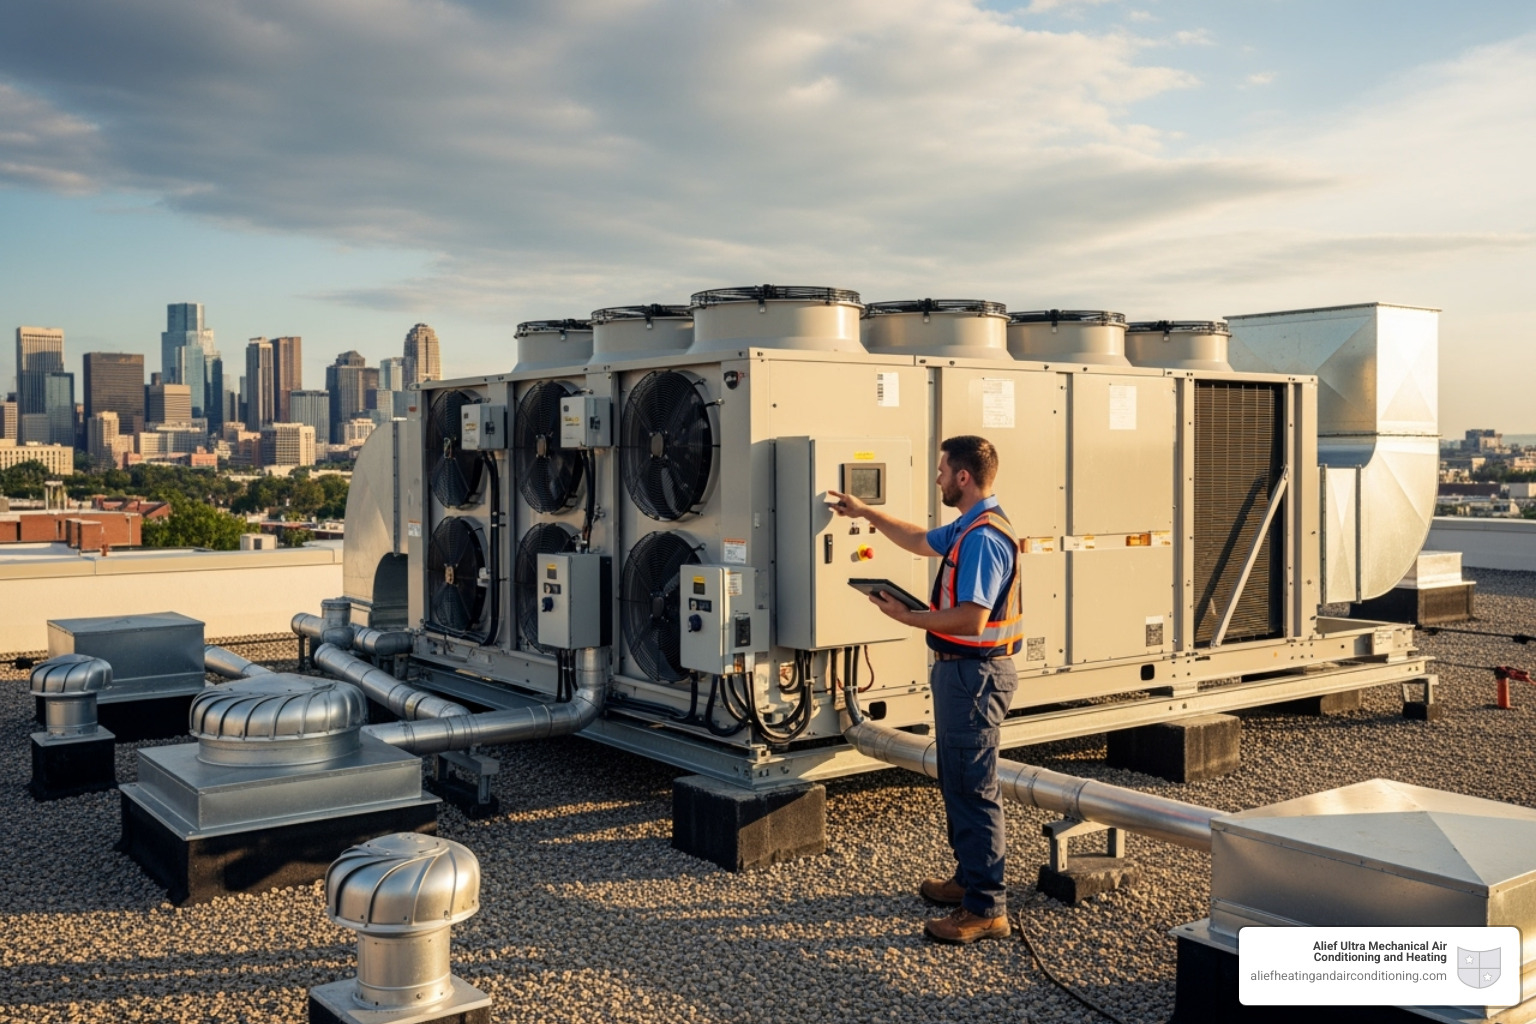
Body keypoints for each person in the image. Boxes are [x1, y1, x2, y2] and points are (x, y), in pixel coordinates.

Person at [827, 434, 1023, 944]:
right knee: (959, 780)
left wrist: (906, 616)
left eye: (942, 471)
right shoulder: (969, 526)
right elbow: (918, 540)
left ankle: (986, 907)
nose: (936, 478)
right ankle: (968, 881)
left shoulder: (983, 537)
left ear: (963, 477)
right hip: (961, 673)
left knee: (974, 788)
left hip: (974, 675)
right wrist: (866, 512)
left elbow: (973, 619)